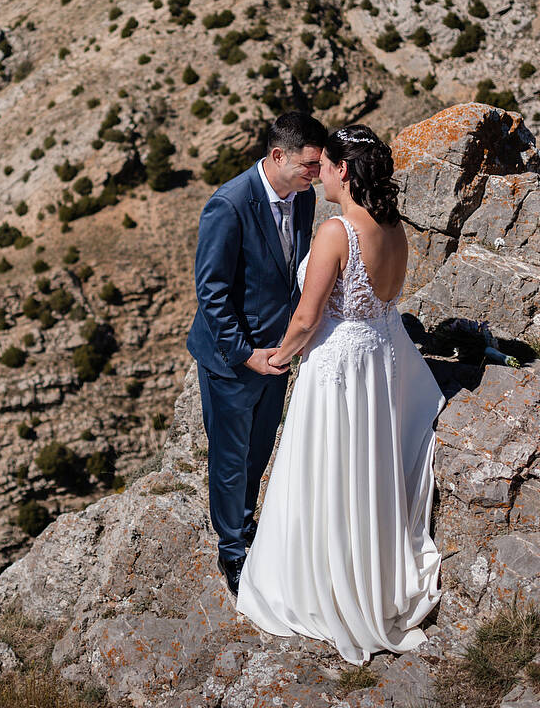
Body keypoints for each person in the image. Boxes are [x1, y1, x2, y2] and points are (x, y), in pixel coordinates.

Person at [235, 123, 447, 665]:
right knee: (362, 465)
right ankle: (363, 568)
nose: (317, 173)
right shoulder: (393, 226)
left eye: (324, 165)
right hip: (379, 355)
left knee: (327, 467)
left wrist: (275, 360)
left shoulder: (337, 232)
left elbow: (308, 317)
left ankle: (320, 582)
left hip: (337, 363)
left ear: (344, 171)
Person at [186, 111, 329, 596]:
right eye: (309, 165)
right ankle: (233, 553)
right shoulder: (228, 205)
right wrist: (246, 355)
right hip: (234, 359)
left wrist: (289, 345)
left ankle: (247, 528)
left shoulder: (303, 200)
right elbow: (212, 293)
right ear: (277, 156)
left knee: (259, 453)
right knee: (230, 458)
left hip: (279, 355)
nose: (316, 173)